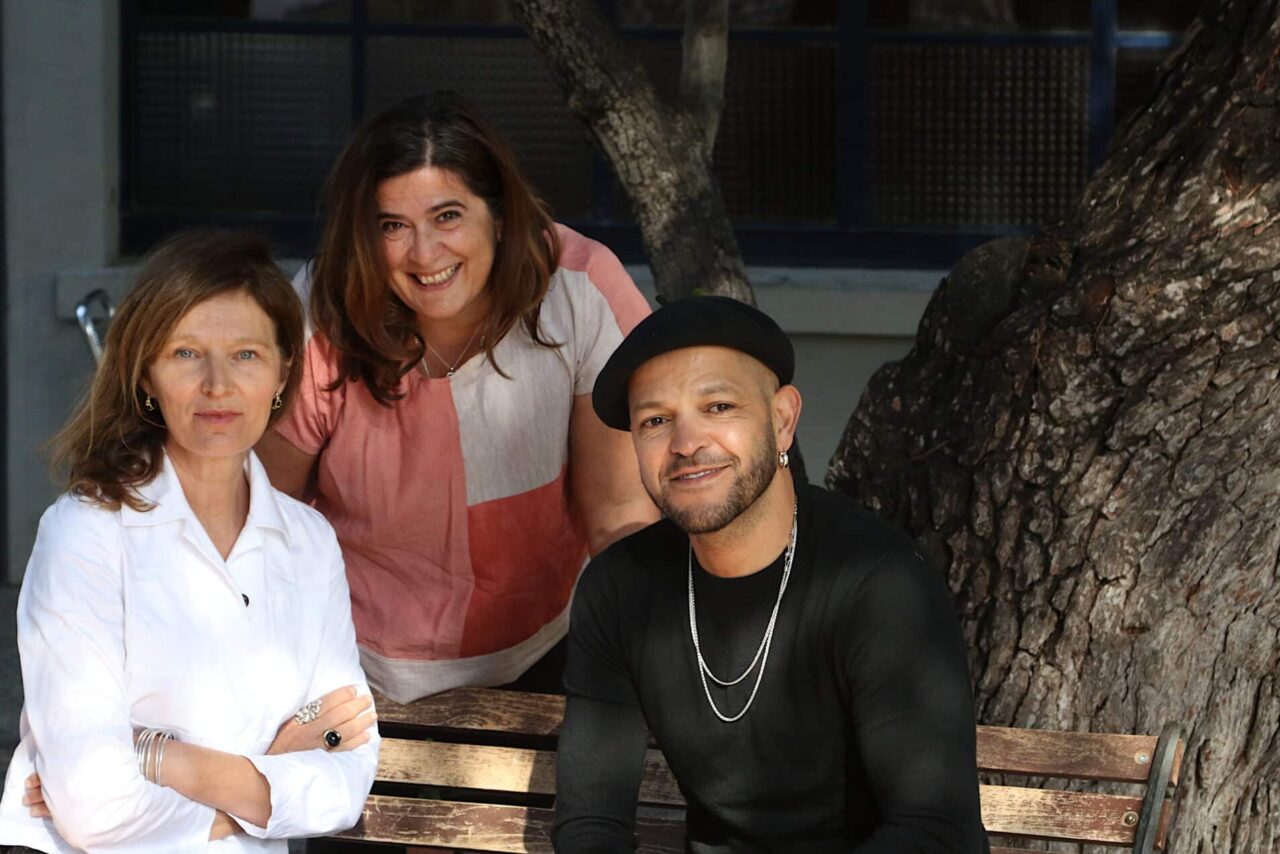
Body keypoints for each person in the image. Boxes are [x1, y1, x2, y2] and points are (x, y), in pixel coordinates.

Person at [255, 92, 657, 703]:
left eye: (447, 216)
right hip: (350, 663)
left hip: (545, 646)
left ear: (499, 214)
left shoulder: (579, 286)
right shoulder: (323, 305)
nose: (424, 254)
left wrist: (652, 669)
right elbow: (267, 514)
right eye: (393, 226)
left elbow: (618, 516)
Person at [553, 296, 990, 852]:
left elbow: (937, 831)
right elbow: (591, 824)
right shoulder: (620, 590)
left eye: (718, 407)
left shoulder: (879, 583)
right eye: (656, 421)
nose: (686, 444)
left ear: (782, 420)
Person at [0, 231, 380, 853]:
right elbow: (95, 808)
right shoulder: (85, 532)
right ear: (146, 374)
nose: (217, 384)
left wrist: (159, 756)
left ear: (284, 371)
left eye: (246, 354)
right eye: (185, 353)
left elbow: (346, 777)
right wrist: (272, 777)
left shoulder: (309, 542)